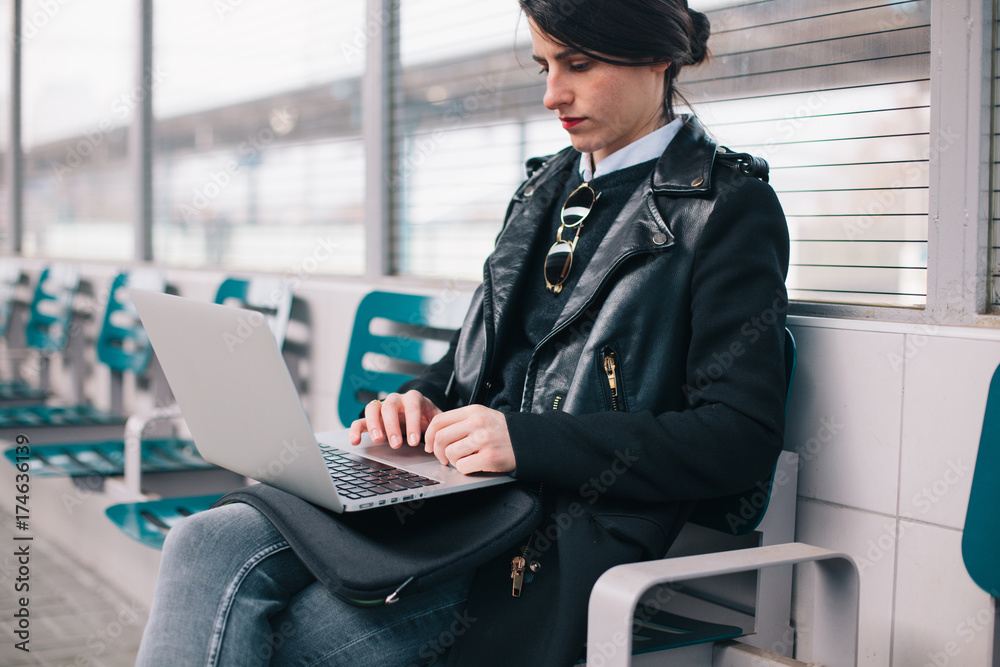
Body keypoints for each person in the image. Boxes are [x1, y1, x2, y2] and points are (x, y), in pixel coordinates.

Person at [135, 0, 789, 664]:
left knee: (290, 637)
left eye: (579, 65)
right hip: (448, 494)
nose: (551, 94)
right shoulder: (544, 188)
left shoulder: (727, 208)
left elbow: (738, 437)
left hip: (544, 539)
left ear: (659, 55)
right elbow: (475, 358)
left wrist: (521, 440)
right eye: (544, 66)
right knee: (201, 540)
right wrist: (416, 401)